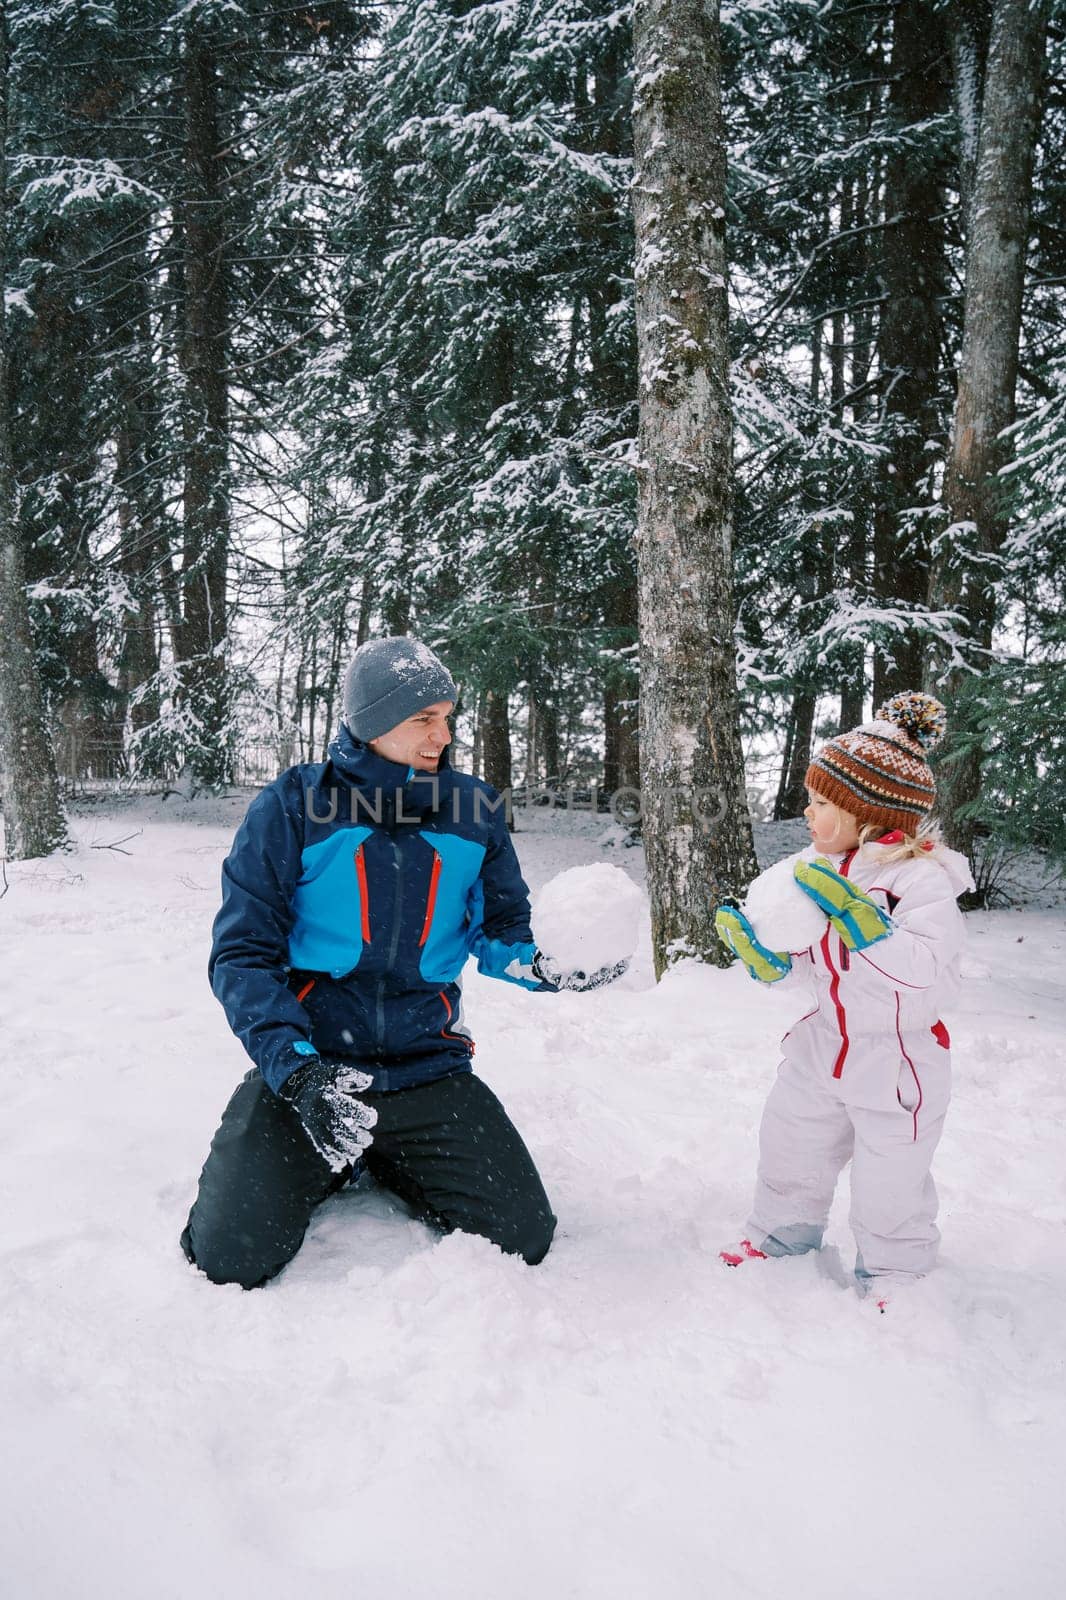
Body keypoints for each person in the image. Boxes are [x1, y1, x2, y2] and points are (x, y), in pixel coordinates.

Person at [181, 637, 621, 1289]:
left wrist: (543, 965)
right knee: (230, 1256)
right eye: (424, 719)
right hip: (313, 1072)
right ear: (372, 722)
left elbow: (500, 929)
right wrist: (297, 1073)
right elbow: (244, 955)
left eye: (447, 717)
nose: (442, 734)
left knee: (522, 1237)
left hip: (426, 1067)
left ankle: (386, 1155)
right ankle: (324, 1154)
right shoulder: (295, 806)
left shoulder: (474, 811)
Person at [714, 691, 974, 1303]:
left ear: (873, 812)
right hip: (822, 1042)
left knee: (892, 1173)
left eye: (824, 802)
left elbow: (926, 972)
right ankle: (781, 1235)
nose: (808, 812)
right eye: (811, 797)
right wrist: (771, 960)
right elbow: (813, 964)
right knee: (790, 1142)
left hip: (898, 1058)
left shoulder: (921, 882)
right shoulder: (818, 868)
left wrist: (870, 928)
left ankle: (896, 1269)